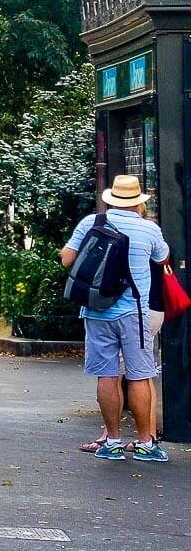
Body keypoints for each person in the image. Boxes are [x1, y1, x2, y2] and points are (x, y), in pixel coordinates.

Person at [60, 174, 169, 462]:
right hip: (134, 312)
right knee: (139, 376)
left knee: (107, 375)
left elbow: (67, 259)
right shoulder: (149, 229)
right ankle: (146, 443)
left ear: (111, 199)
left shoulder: (91, 223)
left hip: (96, 310)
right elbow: (162, 260)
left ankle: (113, 441)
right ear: (138, 203)